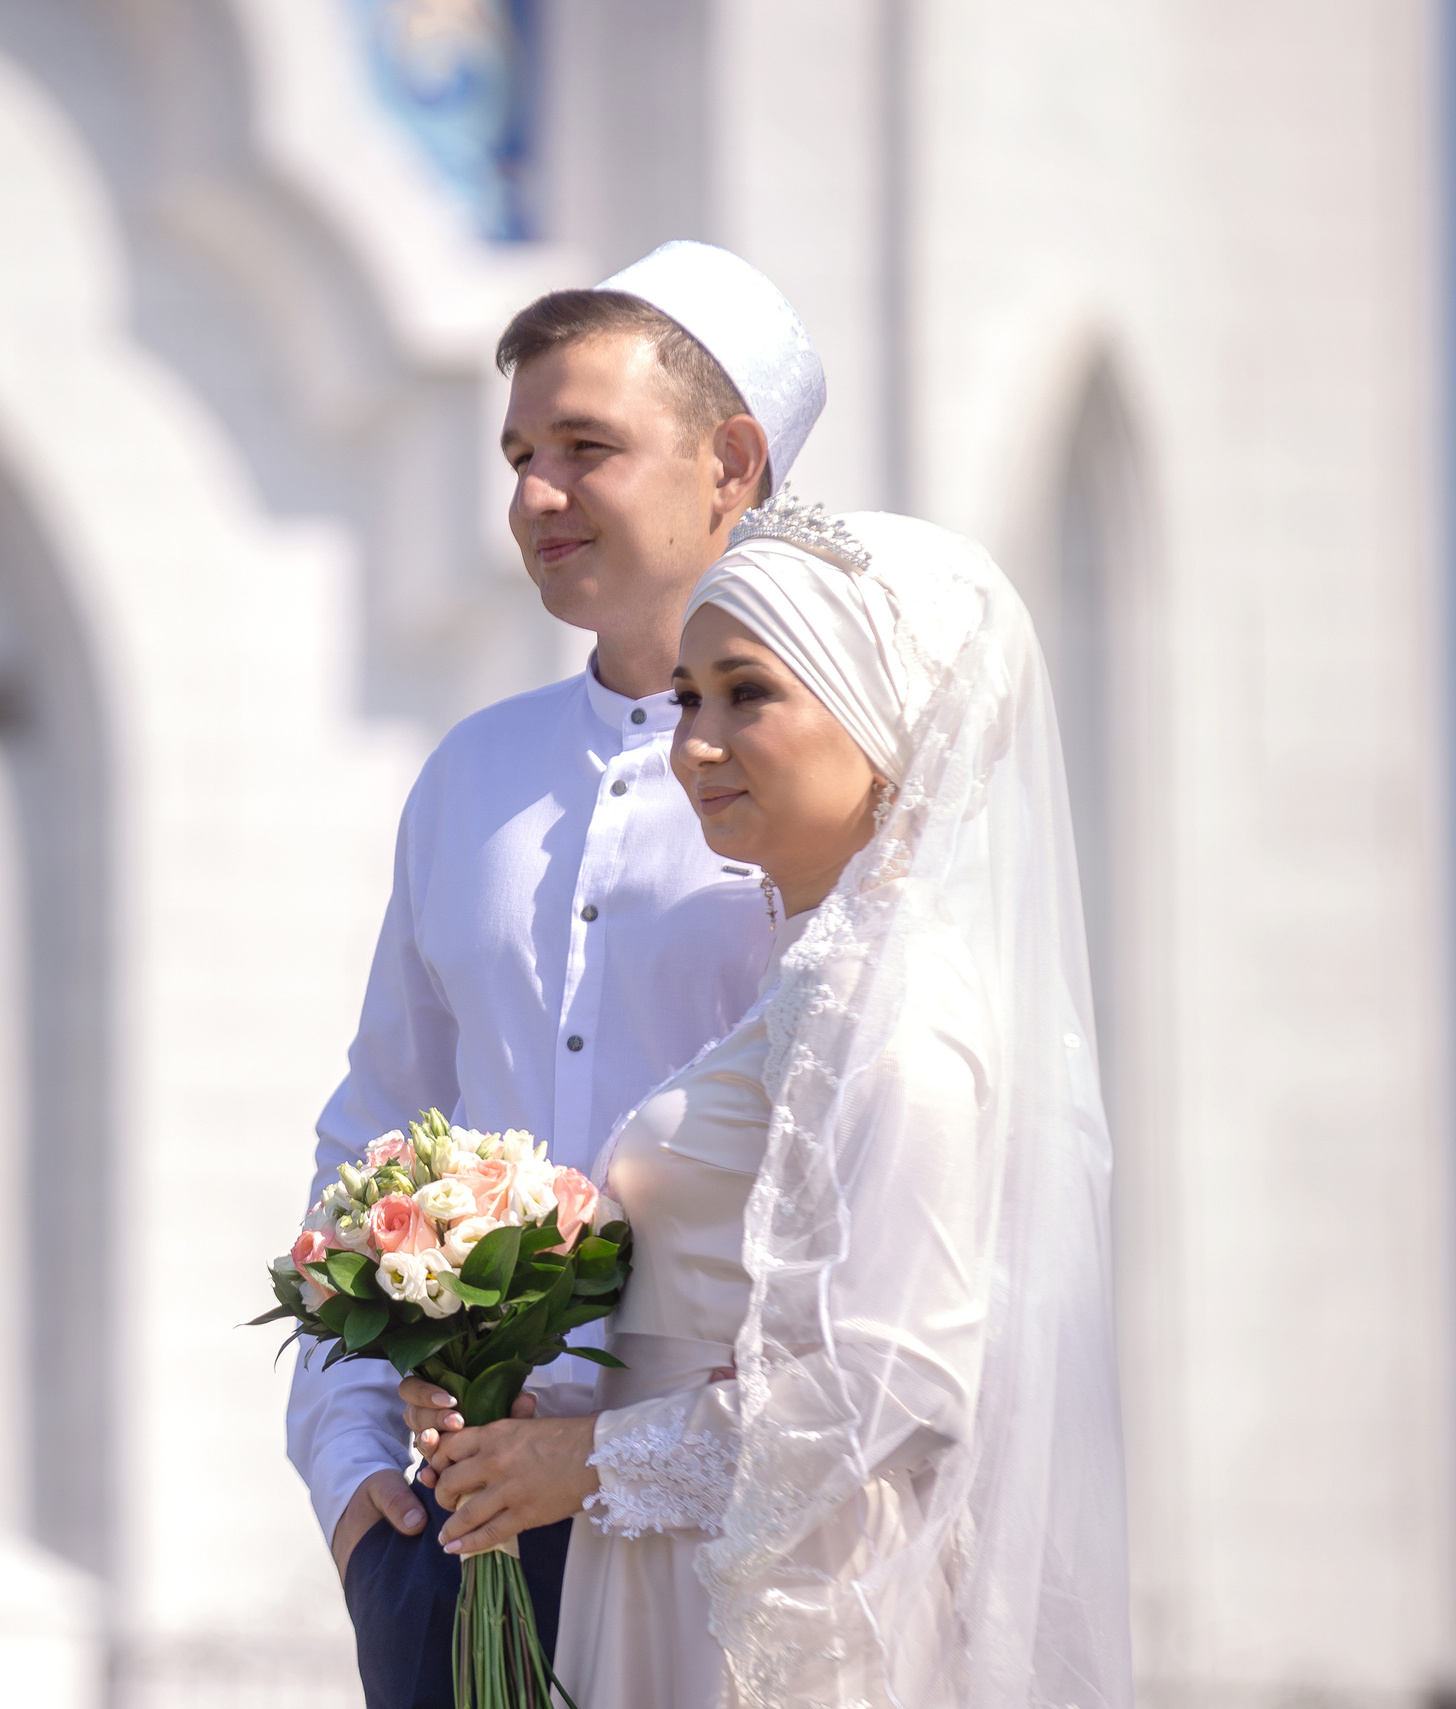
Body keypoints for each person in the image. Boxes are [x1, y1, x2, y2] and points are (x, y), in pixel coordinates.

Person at [413, 499, 1135, 1705]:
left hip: (779, 1618)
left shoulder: (900, 1005)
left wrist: (585, 1461)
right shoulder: (816, 973)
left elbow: (891, 1384)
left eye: (747, 693)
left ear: (886, 724)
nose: (694, 740)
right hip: (678, 1570)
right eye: (687, 697)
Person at [284, 241, 827, 1708]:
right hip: (465, 1554)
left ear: (731, 461)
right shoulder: (472, 774)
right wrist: (351, 1497)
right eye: (518, 452)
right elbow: (375, 1127)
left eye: (585, 448)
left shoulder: (834, 782)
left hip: (745, 1541)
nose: (533, 496)